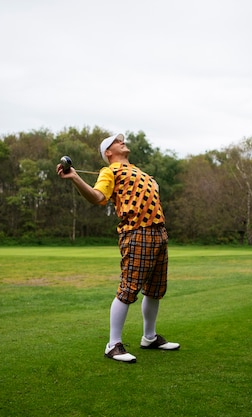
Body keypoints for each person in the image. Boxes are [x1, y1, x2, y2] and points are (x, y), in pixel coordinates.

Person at [56, 133, 180, 363]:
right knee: (129, 288)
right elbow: (97, 197)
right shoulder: (109, 171)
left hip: (159, 232)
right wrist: (74, 177)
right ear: (108, 153)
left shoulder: (139, 172)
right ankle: (113, 345)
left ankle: (150, 338)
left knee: (155, 290)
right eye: (116, 141)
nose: (122, 141)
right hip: (137, 232)